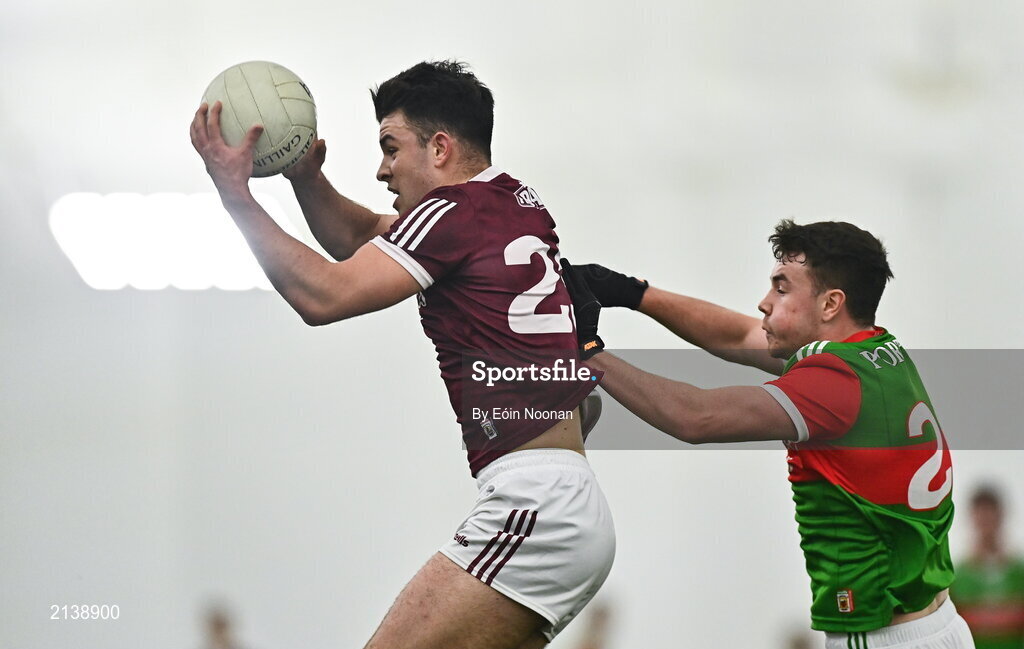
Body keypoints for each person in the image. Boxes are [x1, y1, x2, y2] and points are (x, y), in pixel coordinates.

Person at [189, 60, 614, 648]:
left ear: (440, 147)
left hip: (535, 508)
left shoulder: (450, 213)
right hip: (561, 502)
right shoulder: (509, 204)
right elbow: (362, 239)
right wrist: (305, 180)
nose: (382, 168)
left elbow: (324, 294)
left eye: (391, 147)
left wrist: (234, 195)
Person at [560, 220, 975, 648]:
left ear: (831, 304)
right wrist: (632, 293)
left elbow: (693, 417)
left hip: (882, 635)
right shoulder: (876, 352)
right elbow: (739, 335)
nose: (763, 303)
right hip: (940, 624)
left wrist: (589, 352)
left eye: (781, 288)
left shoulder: (833, 380)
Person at [950, 486, 1024, 648]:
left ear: (1001, 516)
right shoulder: (956, 576)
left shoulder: (1020, 572)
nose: (986, 522)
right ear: (973, 519)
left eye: (990, 515)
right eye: (981, 517)